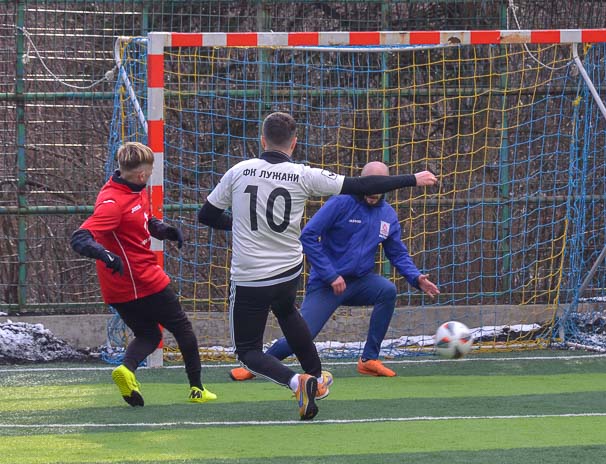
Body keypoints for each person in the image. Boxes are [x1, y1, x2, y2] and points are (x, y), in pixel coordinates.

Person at [198, 111, 437, 420]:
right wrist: (413, 179)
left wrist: (240, 224)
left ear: (262, 139)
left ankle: (298, 381)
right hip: (288, 273)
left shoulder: (239, 171)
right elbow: (360, 185)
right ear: (294, 143)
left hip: (251, 276)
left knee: (247, 352)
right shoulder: (304, 174)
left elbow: (206, 216)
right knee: (288, 314)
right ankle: (317, 376)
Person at [230, 161, 439, 381]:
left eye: (380, 188)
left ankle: (369, 359)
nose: (374, 193)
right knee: (304, 335)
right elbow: (308, 236)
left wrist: (416, 277)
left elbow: (397, 252)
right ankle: (256, 364)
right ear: (362, 182)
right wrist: (330, 274)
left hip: (360, 283)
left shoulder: (387, 215)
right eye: (370, 187)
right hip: (326, 284)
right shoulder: (340, 203)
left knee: (387, 290)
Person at [70, 141, 216, 407]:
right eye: (149, 172)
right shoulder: (112, 202)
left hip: (118, 286)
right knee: (182, 327)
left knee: (149, 335)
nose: (149, 176)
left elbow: (145, 220)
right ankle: (197, 389)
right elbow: (80, 237)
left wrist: (163, 229)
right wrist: (105, 254)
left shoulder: (136, 188)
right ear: (141, 174)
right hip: (139, 279)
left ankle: (126, 370)